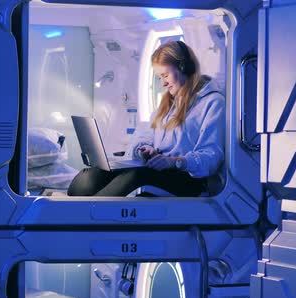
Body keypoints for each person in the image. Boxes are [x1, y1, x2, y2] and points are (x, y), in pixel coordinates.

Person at [68, 40, 225, 197]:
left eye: (165, 75)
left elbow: (211, 156)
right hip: (159, 170)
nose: (163, 83)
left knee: (134, 177)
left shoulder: (212, 102)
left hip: (186, 178)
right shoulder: (168, 103)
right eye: (159, 77)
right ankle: (71, 214)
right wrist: (143, 149)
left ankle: (89, 217)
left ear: (183, 67)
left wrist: (175, 161)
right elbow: (145, 135)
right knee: (91, 176)